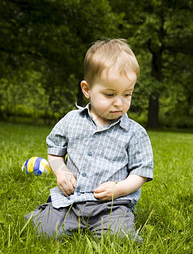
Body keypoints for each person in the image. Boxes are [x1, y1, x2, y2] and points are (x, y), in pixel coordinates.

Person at [25, 39, 153, 241]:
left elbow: (142, 172)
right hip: (70, 201)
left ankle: (113, 226)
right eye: (110, 94)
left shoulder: (135, 133)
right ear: (87, 89)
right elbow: (55, 150)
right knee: (41, 232)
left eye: (127, 94)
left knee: (120, 239)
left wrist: (119, 189)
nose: (119, 102)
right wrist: (61, 171)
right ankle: (44, 214)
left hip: (112, 205)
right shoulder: (71, 121)